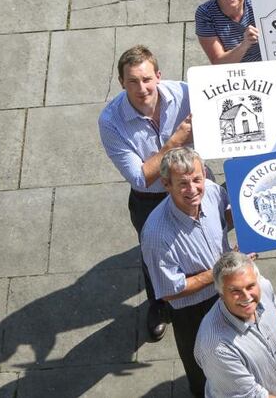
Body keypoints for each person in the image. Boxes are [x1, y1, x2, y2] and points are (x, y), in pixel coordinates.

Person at [98, 45, 193, 342]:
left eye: (147, 79)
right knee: (154, 254)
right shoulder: (111, 121)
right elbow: (140, 177)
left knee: (202, 241)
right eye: (133, 82)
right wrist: (175, 141)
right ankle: (160, 305)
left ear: (158, 76)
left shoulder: (185, 93)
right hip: (150, 199)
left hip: (191, 184)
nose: (142, 88)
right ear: (121, 83)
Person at [141, 147, 233, 397]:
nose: (192, 190)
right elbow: (171, 291)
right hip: (193, 312)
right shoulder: (156, 234)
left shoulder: (213, 191)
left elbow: (226, 220)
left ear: (204, 174)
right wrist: (221, 271)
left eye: (196, 180)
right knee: (202, 369)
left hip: (229, 292)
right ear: (165, 184)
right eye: (182, 183)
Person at [195, 252, 276, 398]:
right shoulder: (217, 347)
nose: (247, 297)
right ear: (221, 294)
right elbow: (251, 395)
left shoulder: (262, 285)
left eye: (250, 286)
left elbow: (273, 305)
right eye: (235, 290)